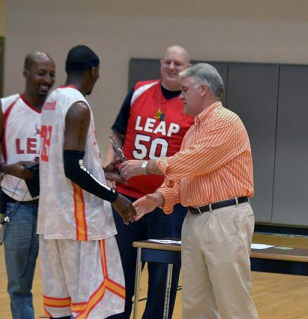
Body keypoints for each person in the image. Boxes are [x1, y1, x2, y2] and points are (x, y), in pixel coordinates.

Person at [119, 63, 259, 319]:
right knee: (196, 304)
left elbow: (191, 162)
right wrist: (157, 198)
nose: (180, 96)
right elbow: (183, 178)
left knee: (233, 302)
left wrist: (144, 166)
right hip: (194, 219)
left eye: (185, 90)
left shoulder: (226, 121)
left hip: (225, 217)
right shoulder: (194, 130)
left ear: (203, 89)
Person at [38, 45, 137, 319]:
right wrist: (113, 196)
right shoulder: (78, 106)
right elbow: (72, 168)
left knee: (60, 309)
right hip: (80, 224)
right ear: (93, 71)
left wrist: (101, 170)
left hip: (53, 221)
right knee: (95, 309)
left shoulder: (52, 100)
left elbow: (64, 162)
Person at [104, 45, 194, 319]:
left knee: (161, 278)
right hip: (126, 199)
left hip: (167, 205)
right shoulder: (140, 90)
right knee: (121, 273)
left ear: (187, 68)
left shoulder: (191, 102)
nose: (171, 67)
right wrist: (109, 168)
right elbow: (117, 132)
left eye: (178, 63)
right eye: (167, 61)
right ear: (160, 63)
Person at [0, 51, 56, 319]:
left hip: (55, 207)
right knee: (19, 286)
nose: (47, 80)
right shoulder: (7, 106)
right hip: (18, 206)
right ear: (25, 73)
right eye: (41, 73)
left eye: (51, 75)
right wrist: (8, 168)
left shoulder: (59, 108)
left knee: (61, 285)